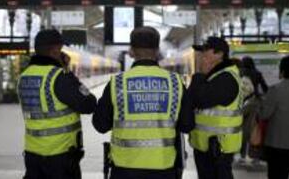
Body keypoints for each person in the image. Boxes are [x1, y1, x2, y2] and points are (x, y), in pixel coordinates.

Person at [92, 26, 194, 179]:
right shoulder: (175, 82)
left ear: (131, 51)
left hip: (124, 169)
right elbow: (187, 124)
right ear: (157, 49)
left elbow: (100, 125)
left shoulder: (117, 83)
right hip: (164, 168)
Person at [17, 29, 97, 179]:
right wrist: (67, 70)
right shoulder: (59, 77)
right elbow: (88, 104)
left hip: (32, 153)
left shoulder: (24, 76)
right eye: (61, 49)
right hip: (60, 157)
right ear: (55, 51)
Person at [188, 37, 243, 179]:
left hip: (218, 147)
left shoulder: (226, 78)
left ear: (219, 54)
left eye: (206, 51)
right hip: (208, 146)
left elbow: (199, 99)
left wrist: (199, 73)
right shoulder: (215, 77)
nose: (202, 55)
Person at [259, 55, 289, 179]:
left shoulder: (275, 90)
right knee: (284, 174)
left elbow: (264, 114)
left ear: (282, 70)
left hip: (275, 141)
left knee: (274, 174)